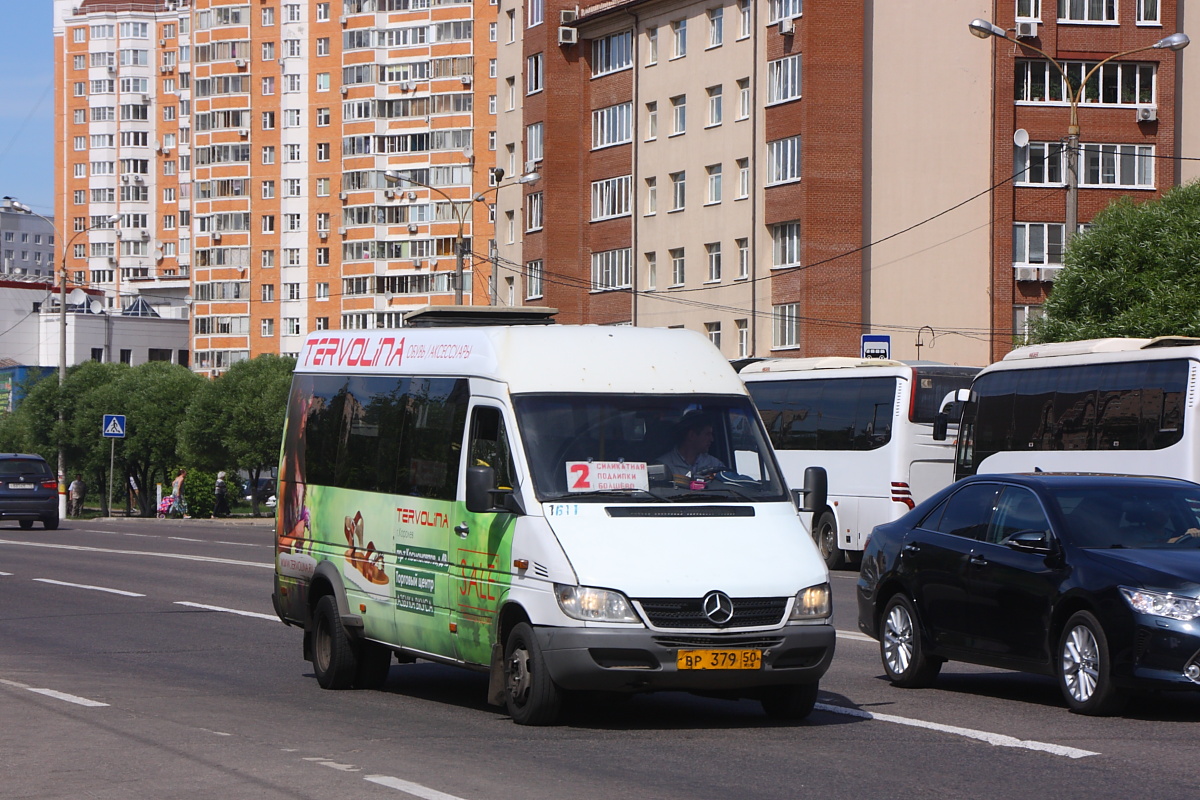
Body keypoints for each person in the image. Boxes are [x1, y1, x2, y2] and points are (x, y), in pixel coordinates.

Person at [657, 411, 727, 487]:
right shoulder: (663, 466)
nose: (712, 439)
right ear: (692, 435)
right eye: (707, 434)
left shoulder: (715, 465)